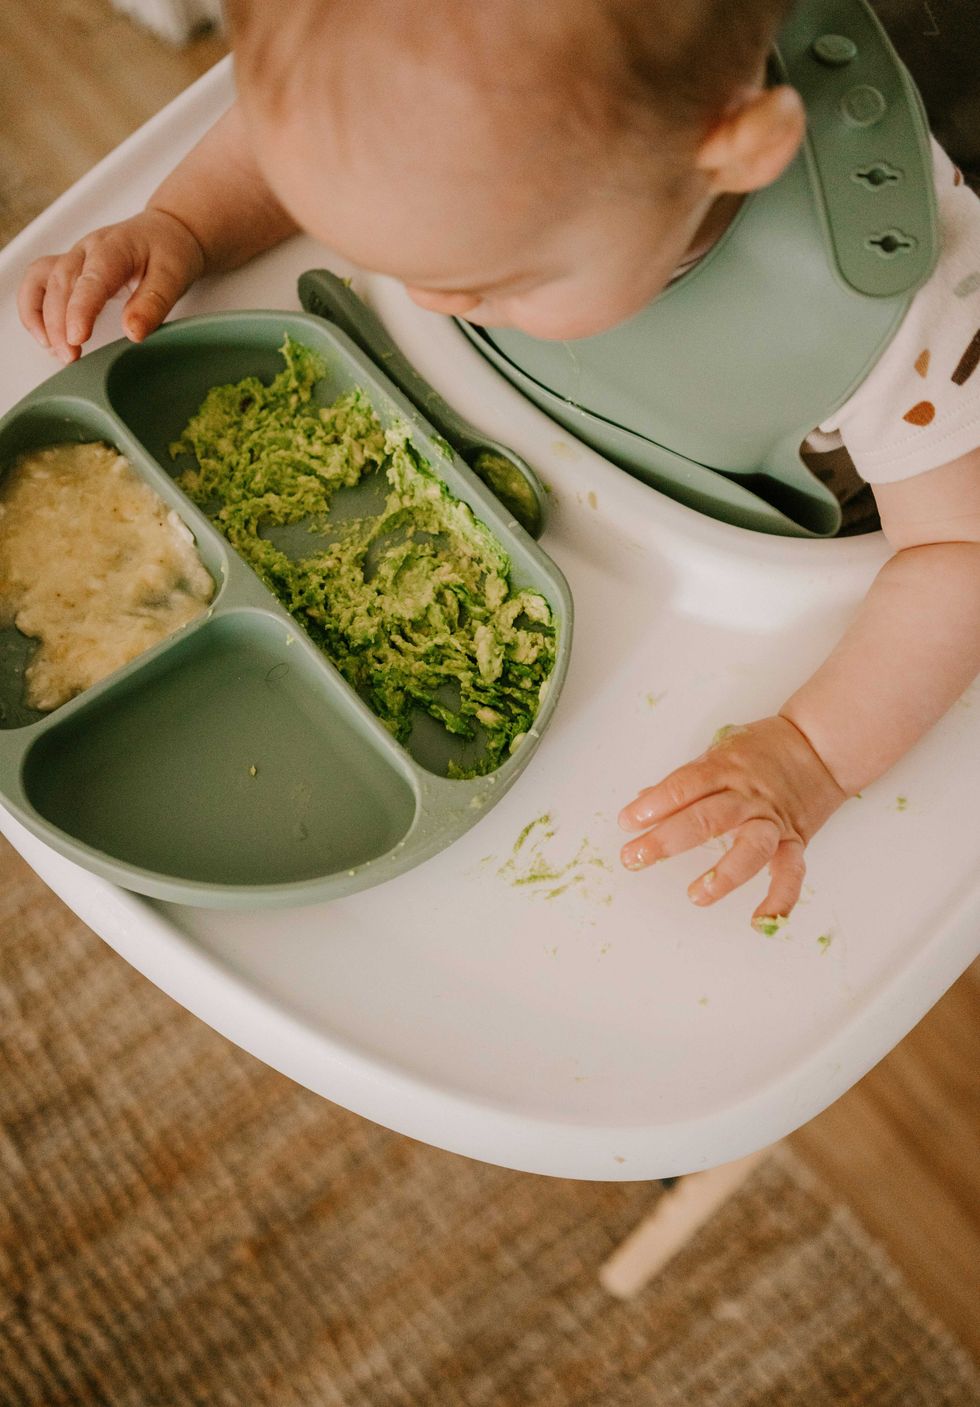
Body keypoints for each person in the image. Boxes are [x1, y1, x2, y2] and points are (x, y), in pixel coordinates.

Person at [17, 0, 980, 927]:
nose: (428, 303)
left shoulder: (894, 305)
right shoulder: (414, 114)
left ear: (729, 151)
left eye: (486, 279)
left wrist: (811, 753)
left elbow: (958, 553)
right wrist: (186, 225)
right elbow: (306, 144)